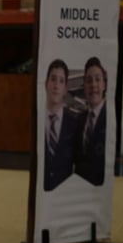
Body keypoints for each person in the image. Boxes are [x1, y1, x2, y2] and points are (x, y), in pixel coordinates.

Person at [42, 59, 81, 191]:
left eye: (61, 81)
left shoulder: (74, 124)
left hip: (65, 192)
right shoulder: (37, 122)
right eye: (53, 79)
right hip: (41, 192)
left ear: (65, 89)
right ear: (46, 84)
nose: (56, 86)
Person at [74, 57, 107, 186]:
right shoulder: (80, 119)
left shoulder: (110, 117)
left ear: (104, 84)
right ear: (84, 86)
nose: (93, 85)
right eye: (89, 80)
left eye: (97, 79)